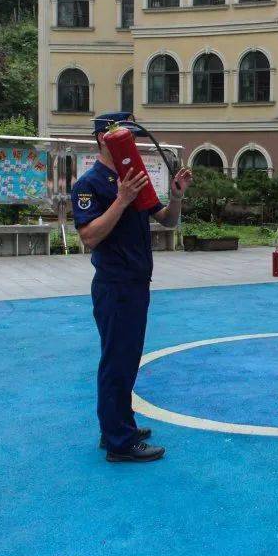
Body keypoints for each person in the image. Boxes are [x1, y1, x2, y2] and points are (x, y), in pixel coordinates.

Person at [72, 123, 192, 462]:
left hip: (137, 282)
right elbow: (90, 236)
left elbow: (167, 220)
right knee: (117, 361)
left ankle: (117, 425)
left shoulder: (134, 176)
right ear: (102, 139)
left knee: (126, 360)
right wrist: (122, 200)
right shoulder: (89, 184)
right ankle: (119, 443)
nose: (132, 146)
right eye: (125, 139)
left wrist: (177, 194)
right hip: (115, 284)